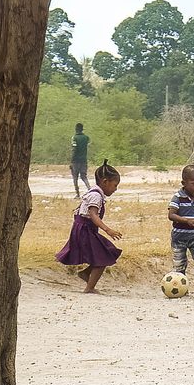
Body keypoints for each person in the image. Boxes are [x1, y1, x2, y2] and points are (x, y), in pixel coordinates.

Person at [55, 160, 122, 294]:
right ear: (105, 182)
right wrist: (108, 230)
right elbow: (93, 214)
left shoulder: (95, 193)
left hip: (86, 229)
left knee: (107, 252)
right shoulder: (95, 196)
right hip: (84, 230)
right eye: (115, 185)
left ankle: (86, 274)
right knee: (104, 256)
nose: (115, 189)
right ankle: (89, 288)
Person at [70, 123, 90, 198]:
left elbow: (74, 149)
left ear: (76, 129)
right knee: (84, 176)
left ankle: (77, 194)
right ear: (82, 129)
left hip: (76, 160)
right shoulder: (86, 138)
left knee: (75, 177)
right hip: (84, 160)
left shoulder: (74, 138)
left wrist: (71, 160)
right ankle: (90, 189)